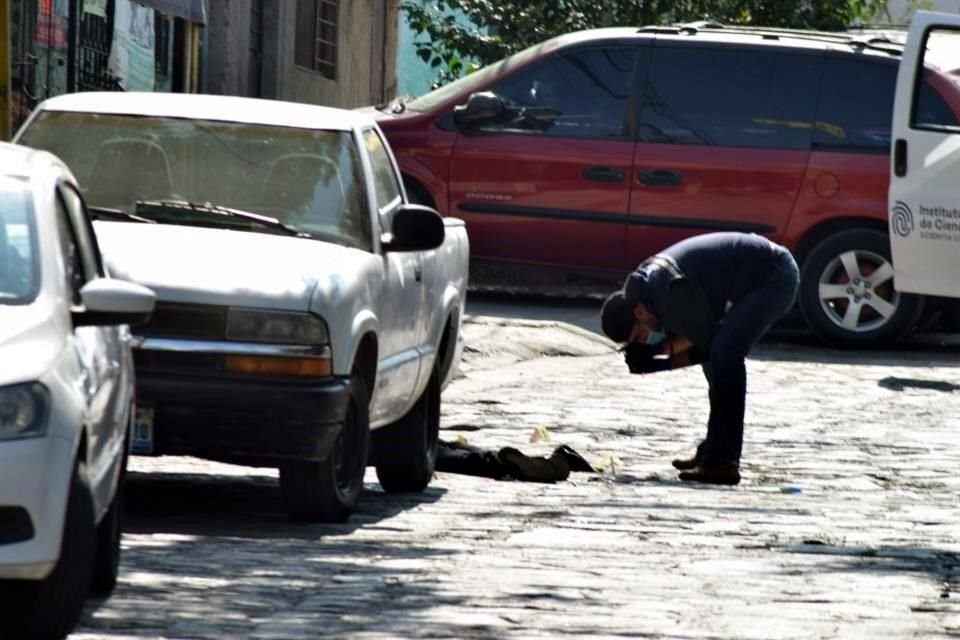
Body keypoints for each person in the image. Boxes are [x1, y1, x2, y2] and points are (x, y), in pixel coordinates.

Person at [600, 232, 800, 485]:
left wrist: (655, 359)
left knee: (725, 354)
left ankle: (722, 463)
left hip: (775, 276)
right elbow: (691, 337)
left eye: (638, 335)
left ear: (638, 312)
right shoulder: (646, 287)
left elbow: (702, 344)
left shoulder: (669, 292)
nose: (643, 340)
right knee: (716, 361)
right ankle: (713, 447)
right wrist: (657, 356)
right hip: (760, 269)